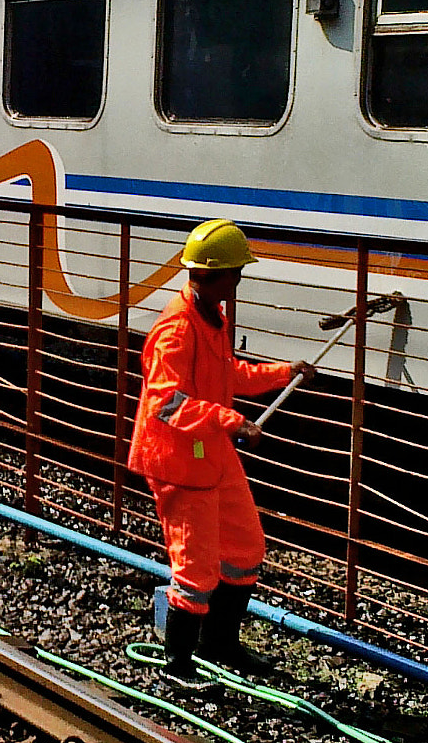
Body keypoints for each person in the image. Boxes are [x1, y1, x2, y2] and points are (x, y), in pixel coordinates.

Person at [129, 218, 315, 686]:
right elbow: (165, 404)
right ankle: (178, 665)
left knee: (246, 548)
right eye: (236, 272)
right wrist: (233, 421)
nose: (239, 280)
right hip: (178, 460)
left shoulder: (211, 317)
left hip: (208, 453)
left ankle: (220, 643)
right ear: (216, 274)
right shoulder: (176, 330)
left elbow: (226, 376)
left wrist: (282, 373)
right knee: (195, 569)